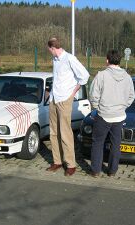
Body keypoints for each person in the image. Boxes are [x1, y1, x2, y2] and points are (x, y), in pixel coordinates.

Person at [46, 37, 90, 176]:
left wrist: (73, 92)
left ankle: (71, 164)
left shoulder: (70, 59)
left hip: (65, 99)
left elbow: (85, 76)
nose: (50, 52)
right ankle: (57, 161)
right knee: (53, 132)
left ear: (53, 48)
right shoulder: (55, 60)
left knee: (65, 133)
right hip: (54, 98)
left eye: (49, 50)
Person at [89, 49, 135, 177]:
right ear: (119, 61)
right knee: (116, 144)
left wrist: (97, 108)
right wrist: (122, 107)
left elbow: (93, 95)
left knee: (98, 143)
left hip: (104, 115)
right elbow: (131, 96)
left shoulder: (101, 75)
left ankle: (96, 170)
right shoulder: (127, 77)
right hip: (119, 116)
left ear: (107, 60)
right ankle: (112, 171)